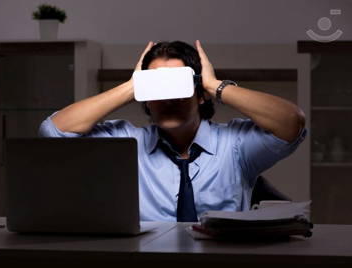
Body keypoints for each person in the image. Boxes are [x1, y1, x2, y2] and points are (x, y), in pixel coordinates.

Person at [39, 40, 306, 222]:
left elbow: (291, 122)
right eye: (156, 86)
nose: (166, 97)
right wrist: (133, 86)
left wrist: (214, 86)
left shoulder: (235, 146)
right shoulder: (127, 143)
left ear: (199, 93)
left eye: (175, 84)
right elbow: (54, 131)